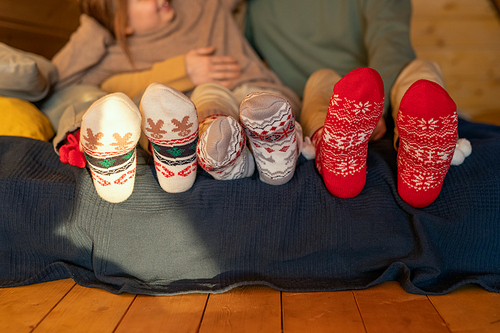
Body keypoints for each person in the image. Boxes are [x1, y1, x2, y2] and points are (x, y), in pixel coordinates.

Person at [52, 0, 304, 203]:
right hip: (206, 110)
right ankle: (242, 158)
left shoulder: (196, 5)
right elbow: (57, 80)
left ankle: (262, 145)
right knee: (196, 111)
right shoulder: (114, 52)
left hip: (257, 93)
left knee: (236, 106)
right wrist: (93, 26)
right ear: (122, 21)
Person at [245, 0, 470, 208]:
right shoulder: (253, 8)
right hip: (326, 96)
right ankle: (334, 147)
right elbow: (233, 47)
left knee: (422, 72)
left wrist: (374, 110)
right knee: (320, 80)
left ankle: (421, 147)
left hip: (382, 91)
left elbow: (391, 43)